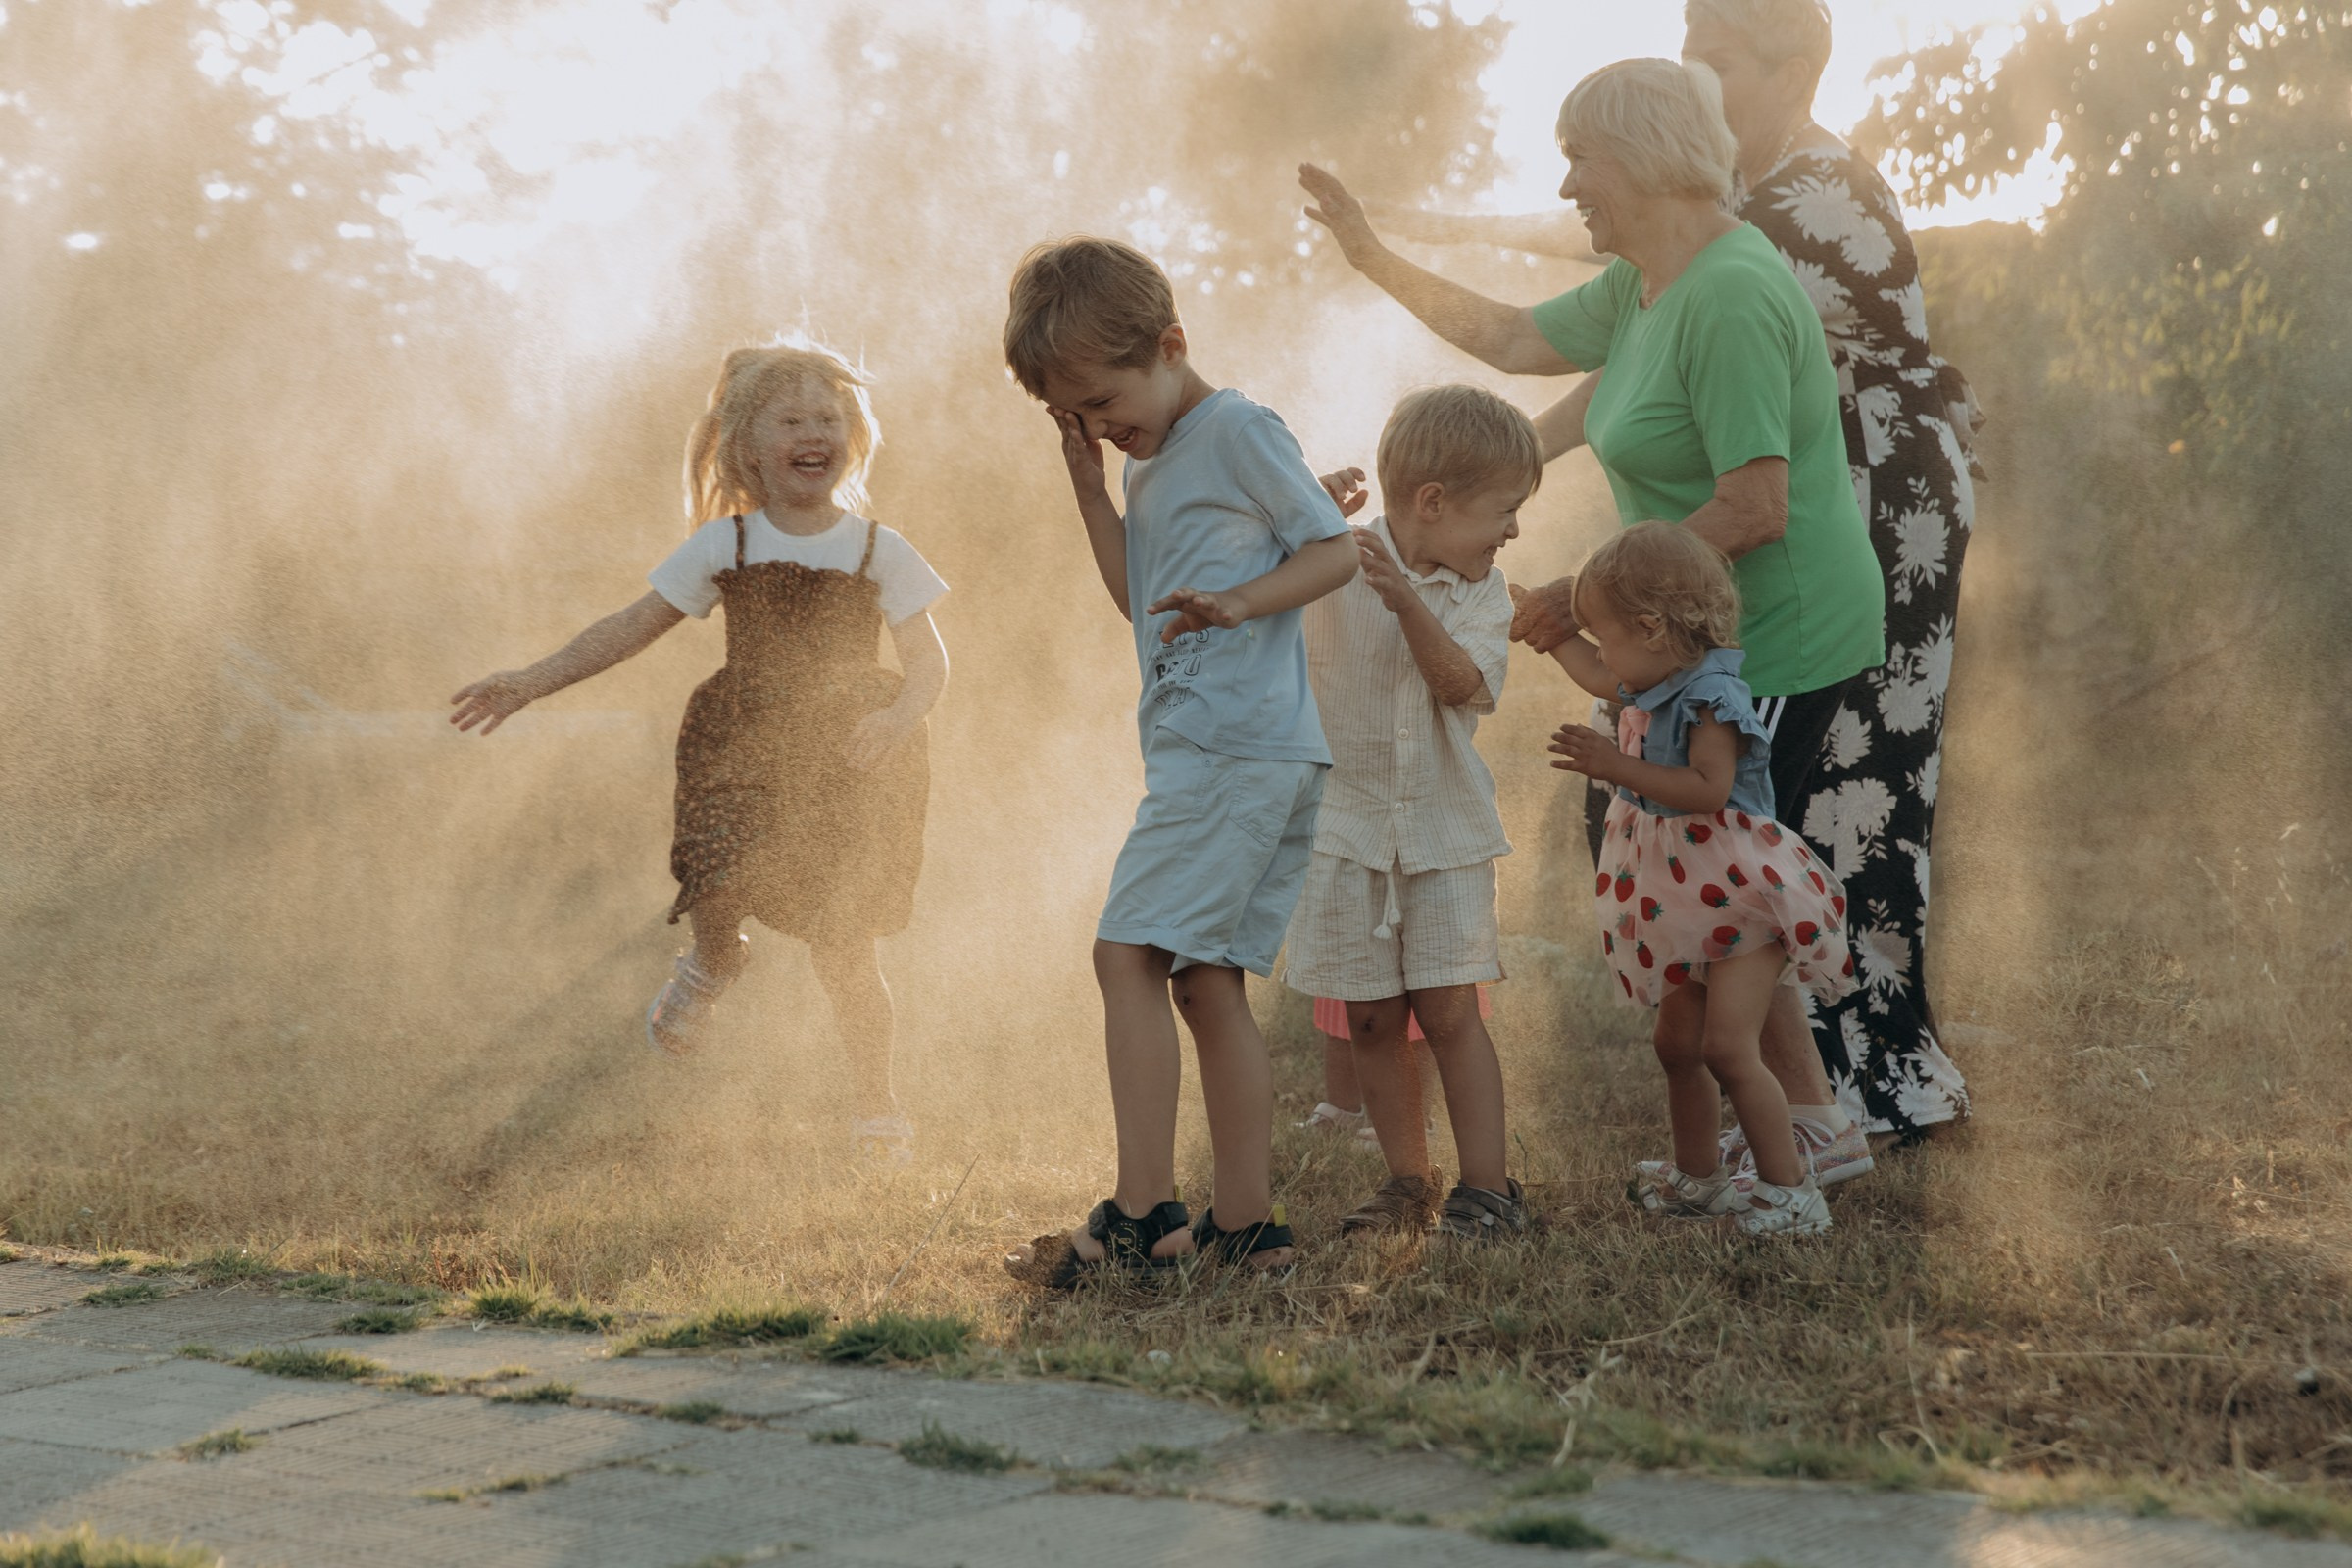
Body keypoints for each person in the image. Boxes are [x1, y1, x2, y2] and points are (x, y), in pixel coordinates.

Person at [1350, 0, 1982, 1144]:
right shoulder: (1645, 281)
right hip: (1697, 621)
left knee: (1719, 858)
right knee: (1706, 854)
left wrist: (1587, 599)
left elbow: (1753, 504)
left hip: (1776, 620)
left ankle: (1794, 1123)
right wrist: (1374, 258)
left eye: (1580, 160)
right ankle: (1807, 1116)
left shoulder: (1733, 290)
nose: (1567, 189)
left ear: (1641, 159)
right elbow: (1509, 340)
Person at [449, 340, 949, 1164]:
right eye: (791, 419)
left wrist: (899, 719)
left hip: (846, 760)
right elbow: (626, 628)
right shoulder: (730, 546)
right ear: (749, 443)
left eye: (827, 418)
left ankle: (878, 1108)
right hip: (742, 744)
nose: (811, 431)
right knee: (714, 880)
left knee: (845, 949)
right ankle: (716, 960)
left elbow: (929, 661)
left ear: (851, 438)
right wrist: (531, 681)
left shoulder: (877, 550)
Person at [996, 237, 1358, 1287]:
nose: (1106, 428)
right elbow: (1139, 611)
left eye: (1107, 402)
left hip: (1233, 750)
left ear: (1171, 345)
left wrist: (1243, 602)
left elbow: (1332, 548)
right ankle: (1246, 1226)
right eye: (1083, 420)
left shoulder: (1236, 428)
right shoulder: (1153, 463)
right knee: (1205, 982)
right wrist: (1093, 491)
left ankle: (1142, 1212)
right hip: (1234, 752)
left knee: (1124, 957)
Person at [1545, 523, 1856, 1236]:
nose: (1604, 658)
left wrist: (1613, 765)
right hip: (1687, 893)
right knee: (1675, 1046)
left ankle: (1790, 1193)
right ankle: (1700, 1179)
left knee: (1726, 1047)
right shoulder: (1655, 673)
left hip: (1742, 896)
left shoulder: (1712, 696)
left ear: (1652, 628)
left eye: (1606, 636)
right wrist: (1552, 634)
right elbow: (1600, 676)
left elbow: (1709, 790)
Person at [1286, 386, 1541, 1242]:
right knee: (1367, 1015)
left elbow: (1463, 687)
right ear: (1431, 503)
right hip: (1345, 831)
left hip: (1441, 833)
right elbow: (1247, 578)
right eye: (1504, 510)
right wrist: (1301, 509)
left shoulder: (1483, 593)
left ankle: (1489, 1189)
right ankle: (1407, 1181)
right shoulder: (1332, 562)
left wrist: (1405, 600)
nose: (1512, 531)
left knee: (1449, 1012)